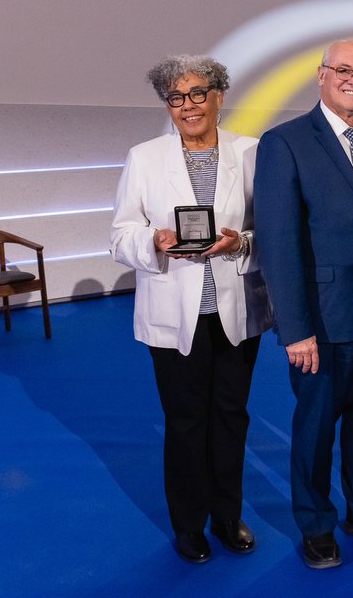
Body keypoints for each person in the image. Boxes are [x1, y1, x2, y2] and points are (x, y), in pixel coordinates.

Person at [254, 40, 353, 570]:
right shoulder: (285, 142)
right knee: (317, 428)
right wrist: (295, 327)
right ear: (320, 76)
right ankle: (316, 524)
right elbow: (279, 243)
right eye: (344, 71)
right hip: (321, 321)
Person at [111, 55, 270, 563]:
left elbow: (274, 230)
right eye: (176, 98)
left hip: (236, 311)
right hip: (172, 312)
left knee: (230, 417)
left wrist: (240, 243)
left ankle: (228, 516)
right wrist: (153, 240)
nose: (188, 106)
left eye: (198, 94)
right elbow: (119, 235)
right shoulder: (145, 157)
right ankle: (189, 524)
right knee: (184, 422)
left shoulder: (252, 152)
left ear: (219, 96)